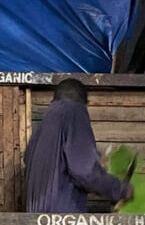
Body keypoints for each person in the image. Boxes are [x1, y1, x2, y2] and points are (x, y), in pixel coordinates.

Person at [24, 78, 132, 214]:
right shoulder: (75, 112)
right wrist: (119, 189)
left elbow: (31, 159)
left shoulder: (44, 124)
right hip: (62, 219)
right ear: (84, 102)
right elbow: (84, 171)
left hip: (35, 221)